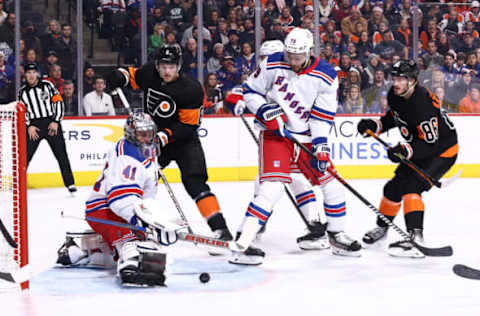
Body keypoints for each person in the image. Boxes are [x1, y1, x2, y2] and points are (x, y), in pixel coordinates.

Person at [230, 28, 362, 266]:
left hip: (308, 137)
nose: (292, 61)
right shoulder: (273, 63)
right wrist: (263, 109)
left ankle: (336, 235)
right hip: (276, 135)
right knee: (272, 187)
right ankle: (244, 240)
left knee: (332, 183)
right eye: (289, 55)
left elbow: (321, 116)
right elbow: (250, 91)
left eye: (297, 57)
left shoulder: (326, 74)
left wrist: (321, 146)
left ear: (309, 52)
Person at [106, 45, 233, 242]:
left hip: (184, 142)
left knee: (196, 183)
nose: (167, 71)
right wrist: (118, 76)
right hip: (152, 140)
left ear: (179, 66)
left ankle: (221, 229)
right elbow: (130, 76)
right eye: (163, 66)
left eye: (171, 66)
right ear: (157, 65)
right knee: (141, 180)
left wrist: (163, 136)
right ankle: (132, 224)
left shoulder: (191, 89)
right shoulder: (149, 73)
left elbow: (189, 124)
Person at [225, 39, 331, 252]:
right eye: (263, 57)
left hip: (297, 138)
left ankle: (315, 226)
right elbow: (240, 92)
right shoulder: (265, 74)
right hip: (273, 137)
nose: (266, 61)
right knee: (268, 184)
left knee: (295, 180)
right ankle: (254, 227)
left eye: (269, 56)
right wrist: (236, 101)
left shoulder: (293, 76)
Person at [57, 112, 178, 286]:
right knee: (130, 242)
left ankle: (82, 249)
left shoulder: (148, 152)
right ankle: (130, 268)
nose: (147, 139)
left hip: (124, 210)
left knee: (146, 241)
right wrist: (140, 221)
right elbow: (119, 199)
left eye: (149, 134)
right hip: (103, 209)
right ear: (131, 134)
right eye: (141, 134)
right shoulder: (125, 156)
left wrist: (154, 221)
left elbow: (146, 197)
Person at [357, 60, 458, 258]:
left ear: (412, 80)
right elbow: (394, 118)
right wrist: (375, 126)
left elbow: (431, 144)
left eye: (401, 79)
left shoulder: (422, 104)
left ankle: (416, 238)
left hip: (442, 152)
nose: (396, 82)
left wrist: (405, 150)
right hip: (420, 147)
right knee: (393, 188)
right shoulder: (396, 95)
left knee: (412, 187)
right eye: (395, 78)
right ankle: (382, 227)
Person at [18, 62, 77, 194]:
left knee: (61, 154)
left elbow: (58, 102)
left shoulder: (47, 85)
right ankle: (18, 185)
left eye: (33, 72)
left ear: (37, 74)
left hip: (51, 123)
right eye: (28, 73)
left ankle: (70, 183)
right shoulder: (22, 92)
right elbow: (23, 112)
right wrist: (29, 126)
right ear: (25, 75)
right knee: (25, 156)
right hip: (34, 126)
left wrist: (56, 121)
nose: (31, 75)